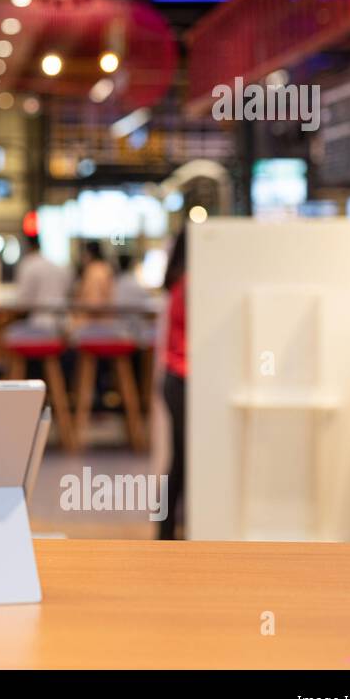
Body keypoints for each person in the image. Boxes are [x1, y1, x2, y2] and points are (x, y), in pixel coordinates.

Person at [158, 228, 187, 540]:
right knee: (181, 463)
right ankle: (165, 532)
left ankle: (165, 531)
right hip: (182, 379)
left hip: (174, 379)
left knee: (179, 461)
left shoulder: (177, 281)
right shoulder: (190, 284)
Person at [13, 234, 70, 329]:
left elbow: (23, 301)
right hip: (62, 321)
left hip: (39, 324)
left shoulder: (28, 264)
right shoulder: (55, 265)